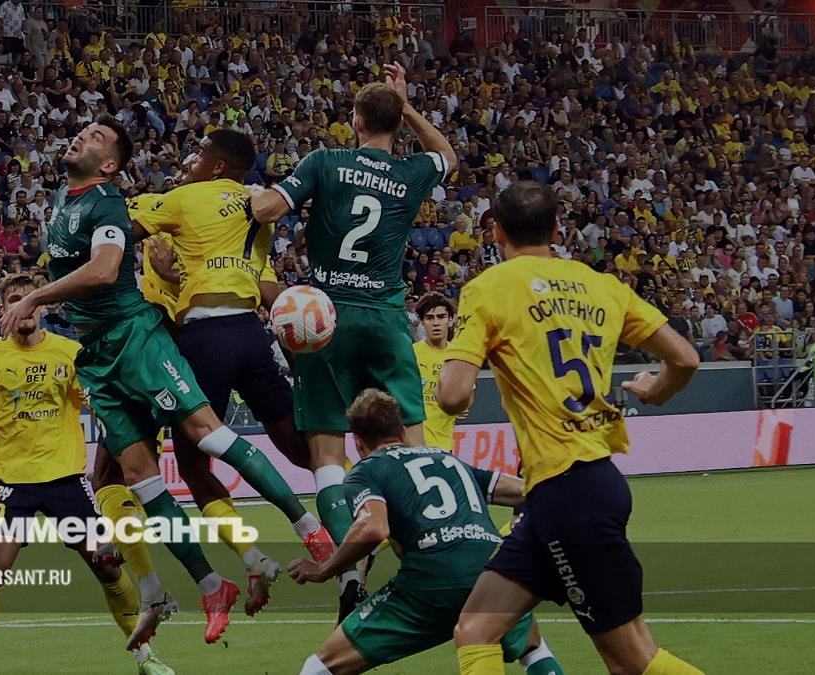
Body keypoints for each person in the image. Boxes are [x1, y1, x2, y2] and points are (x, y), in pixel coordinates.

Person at [0, 116, 311, 647]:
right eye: (84, 131)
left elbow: (106, 268)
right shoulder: (80, 203)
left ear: (110, 165)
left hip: (146, 338)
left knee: (195, 446)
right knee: (136, 474)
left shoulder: (117, 205)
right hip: (101, 350)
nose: (81, 135)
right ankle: (208, 582)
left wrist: (34, 296)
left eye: (97, 137)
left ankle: (301, 532)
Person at [434, 182, 702, 675]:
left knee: (631, 660)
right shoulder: (603, 286)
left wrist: (464, 384)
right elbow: (685, 358)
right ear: (557, 230)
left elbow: (451, 395)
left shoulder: (490, 288)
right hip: (568, 489)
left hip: (568, 491)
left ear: (496, 233)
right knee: (475, 628)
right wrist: (654, 391)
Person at [252, 62, 456, 613]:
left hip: (327, 320)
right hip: (386, 318)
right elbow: (447, 155)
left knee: (327, 454)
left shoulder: (325, 161)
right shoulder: (412, 172)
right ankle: (434, 553)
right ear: (396, 122)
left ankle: (349, 573)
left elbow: (268, 208)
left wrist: (242, 198)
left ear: (356, 120)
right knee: (413, 444)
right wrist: (408, 106)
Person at [126, 129, 325, 616]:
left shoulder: (183, 199)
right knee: (299, 448)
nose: (188, 161)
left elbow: (114, 227)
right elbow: (265, 287)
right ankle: (340, 520)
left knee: (194, 465)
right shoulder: (258, 208)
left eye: (197, 155)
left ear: (216, 166)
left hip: (200, 338)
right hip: (251, 334)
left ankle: (250, 557)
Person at [0, 274, 174, 675]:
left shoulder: (70, 353)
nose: (24, 307)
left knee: (108, 569)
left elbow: (99, 407)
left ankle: (146, 657)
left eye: (31, 300)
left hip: (67, 480)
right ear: (4, 308)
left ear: (41, 307)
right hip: (10, 482)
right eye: (15, 299)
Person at [287, 389, 564, 675]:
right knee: (533, 648)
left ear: (357, 442)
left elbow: (373, 527)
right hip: (491, 568)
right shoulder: (448, 460)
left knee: (319, 667)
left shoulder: (366, 471)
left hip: (430, 583)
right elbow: (524, 491)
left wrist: (324, 569)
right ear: (402, 432)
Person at [412, 293, 462, 449]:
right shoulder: (410, 354)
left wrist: (461, 406)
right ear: (422, 322)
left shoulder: (458, 356)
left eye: (441, 317)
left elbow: (466, 398)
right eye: (429, 318)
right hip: (414, 444)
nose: (436, 323)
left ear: (451, 320)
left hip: (444, 443)